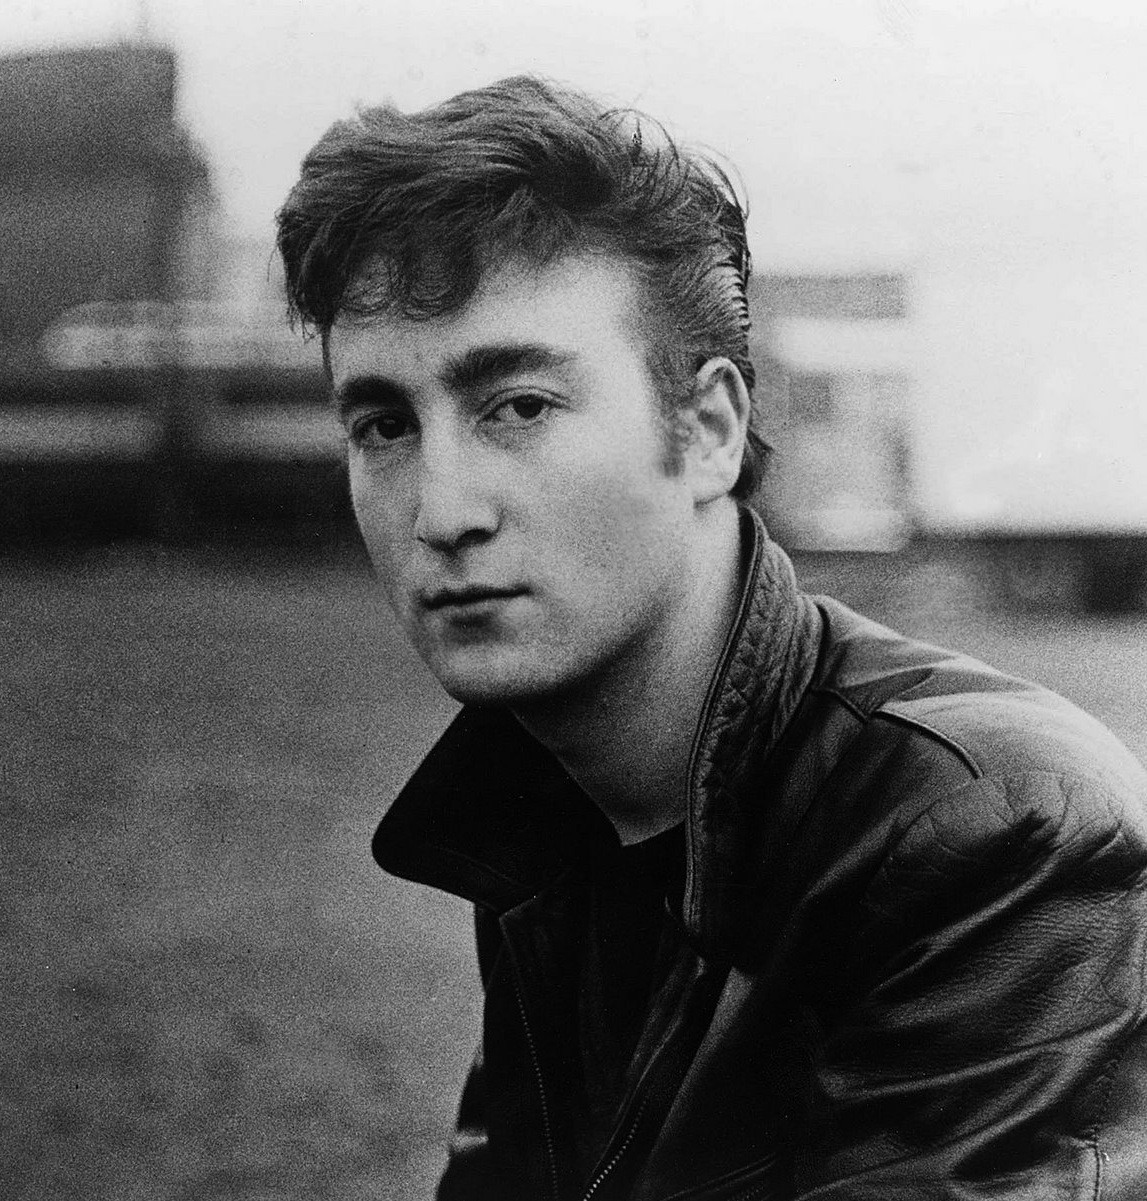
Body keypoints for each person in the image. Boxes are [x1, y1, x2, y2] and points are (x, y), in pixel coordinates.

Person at [275, 76, 1147, 1199]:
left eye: (519, 405)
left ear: (707, 429)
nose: (441, 512)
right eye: (384, 424)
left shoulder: (994, 831)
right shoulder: (561, 812)